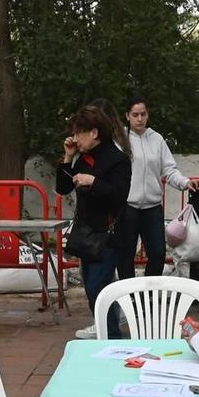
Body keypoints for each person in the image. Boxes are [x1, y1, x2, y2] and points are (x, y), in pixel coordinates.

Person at [58, 103, 133, 339]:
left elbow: (120, 195)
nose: (75, 138)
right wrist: (68, 158)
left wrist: (93, 182)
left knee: (96, 287)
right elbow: (62, 188)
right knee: (95, 288)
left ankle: (110, 335)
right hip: (87, 234)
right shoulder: (82, 158)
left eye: (80, 132)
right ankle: (107, 332)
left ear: (94, 132)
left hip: (109, 234)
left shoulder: (118, 160)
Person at [115, 95, 196, 281]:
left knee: (158, 254)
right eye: (135, 114)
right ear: (127, 116)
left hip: (152, 207)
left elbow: (169, 170)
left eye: (143, 114)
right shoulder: (120, 140)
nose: (139, 118)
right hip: (127, 206)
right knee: (126, 255)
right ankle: (130, 296)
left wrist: (185, 183)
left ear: (148, 115)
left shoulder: (157, 139)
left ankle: (149, 293)